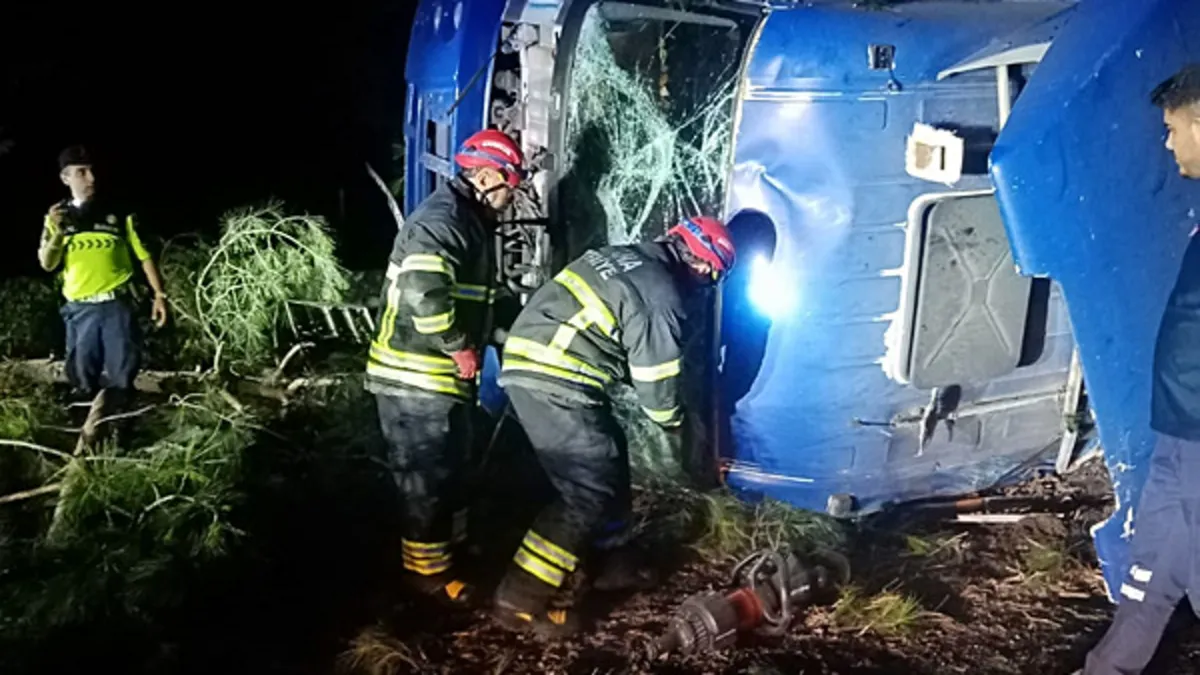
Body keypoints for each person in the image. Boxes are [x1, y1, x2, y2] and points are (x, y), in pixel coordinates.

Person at [491, 216, 736, 637]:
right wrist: (679, 430)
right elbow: (657, 387)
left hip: (537, 360)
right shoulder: (662, 295)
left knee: (610, 454)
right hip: (556, 377)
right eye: (711, 278)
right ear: (702, 264)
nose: (705, 287)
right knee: (585, 492)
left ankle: (613, 562)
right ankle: (519, 600)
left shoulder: (625, 256)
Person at [364, 128, 525, 605]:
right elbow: (422, 292)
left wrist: (510, 336)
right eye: (509, 180)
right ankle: (425, 577)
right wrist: (459, 346)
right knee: (425, 479)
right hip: (413, 379)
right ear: (484, 174)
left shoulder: (471, 220)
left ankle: (449, 556)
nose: (513, 192)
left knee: (453, 471)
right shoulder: (443, 220)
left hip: (440, 382)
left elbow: (481, 299)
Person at [1084, 63, 1200, 674]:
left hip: (1196, 448)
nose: (1167, 141)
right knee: (1148, 584)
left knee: (1162, 579)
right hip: (1181, 436)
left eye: (1172, 127)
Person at [37, 145, 168, 416]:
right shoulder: (56, 217)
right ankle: (85, 438)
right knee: (82, 379)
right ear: (66, 178)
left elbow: (144, 256)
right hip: (79, 309)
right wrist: (58, 233)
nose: (91, 179)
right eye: (82, 172)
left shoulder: (119, 214)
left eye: (92, 171)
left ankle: (120, 436)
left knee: (122, 378)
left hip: (116, 308)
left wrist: (159, 295)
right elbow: (47, 263)